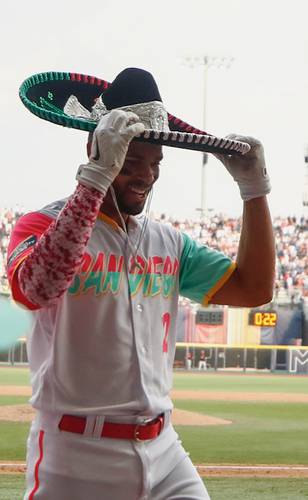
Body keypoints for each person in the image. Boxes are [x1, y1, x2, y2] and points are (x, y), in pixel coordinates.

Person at [7, 67, 275, 500]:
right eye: (131, 162)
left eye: (155, 163)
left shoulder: (168, 242)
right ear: (96, 148)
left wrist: (253, 189)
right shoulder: (40, 224)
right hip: (75, 456)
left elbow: (254, 288)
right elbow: (36, 288)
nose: (146, 175)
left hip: (165, 451)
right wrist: (95, 176)